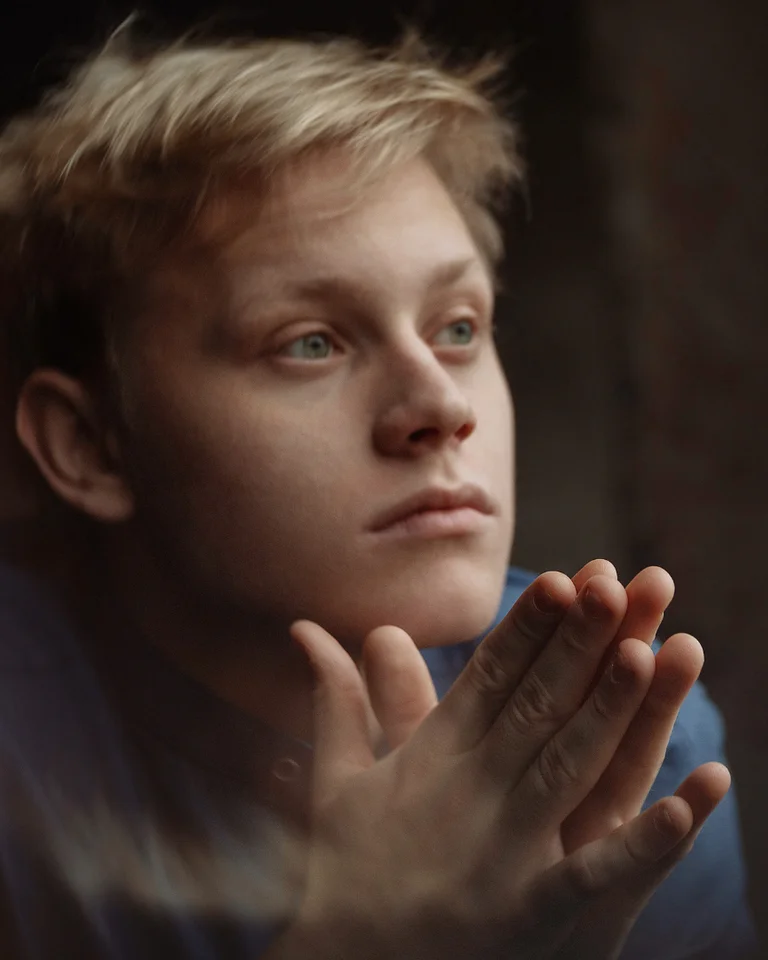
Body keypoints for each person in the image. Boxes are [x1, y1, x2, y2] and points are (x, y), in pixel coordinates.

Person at [0, 27, 756, 960]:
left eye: (459, 326)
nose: (440, 405)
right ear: (91, 445)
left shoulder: (626, 750)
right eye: (310, 341)